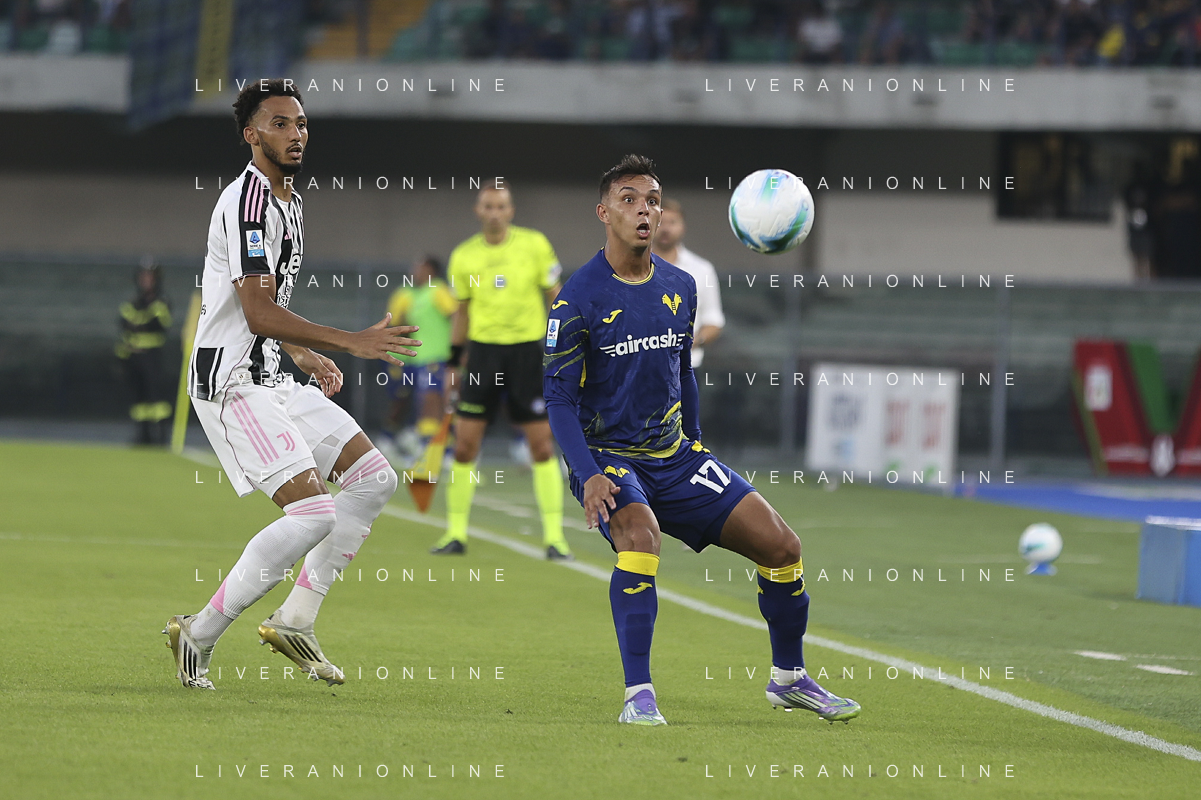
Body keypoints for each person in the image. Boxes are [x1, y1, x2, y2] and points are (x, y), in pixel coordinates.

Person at [544, 154, 860, 725]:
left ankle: (789, 679)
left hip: (676, 456)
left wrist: (695, 442)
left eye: (652, 200)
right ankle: (638, 695)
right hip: (611, 458)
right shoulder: (576, 299)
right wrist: (587, 473)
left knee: (783, 547)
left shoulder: (681, 286)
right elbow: (560, 399)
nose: (644, 211)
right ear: (604, 213)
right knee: (641, 538)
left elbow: (681, 372)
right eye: (629, 200)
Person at [163, 79, 419, 690]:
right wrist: (349, 341)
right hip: (232, 381)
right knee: (312, 513)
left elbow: (263, 306)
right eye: (279, 123)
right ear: (251, 134)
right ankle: (197, 634)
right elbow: (256, 313)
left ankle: (296, 619)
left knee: (373, 478)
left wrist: (301, 351)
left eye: (300, 123)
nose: (295, 133)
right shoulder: (249, 203)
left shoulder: (289, 202)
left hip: (271, 373)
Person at [431, 180, 572, 560]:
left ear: (511, 211)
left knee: (542, 445)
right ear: (478, 211)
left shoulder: (534, 245)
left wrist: (563, 347)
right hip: (483, 356)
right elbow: (461, 313)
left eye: (501, 206)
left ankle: (555, 539)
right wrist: (453, 364)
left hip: (527, 354)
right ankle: (455, 533)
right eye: (488, 206)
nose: (494, 213)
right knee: (465, 445)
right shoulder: (464, 256)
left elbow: (556, 298)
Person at [382, 255, 458, 461]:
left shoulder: (439, 290)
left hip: (437, 355)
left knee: (434, 402)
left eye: (420, 268)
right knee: (424, 402)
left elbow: (456, 316)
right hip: (420, 358)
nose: (415, 272)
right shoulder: (413, 294)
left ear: (431, 271)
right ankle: (432, 447)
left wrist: (459, 349)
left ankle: (439, 450)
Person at [651, 197, 724, 368]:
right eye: (660, 222)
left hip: (685, 366)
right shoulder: (631, 266)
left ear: (682, 227)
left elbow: (714, 320)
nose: (666, 229)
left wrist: (694, 341)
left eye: (672, 222)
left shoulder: (702, 269)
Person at [116, 258, 172, 445]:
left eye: (150, 277)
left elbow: (158, 324)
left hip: (152, 356)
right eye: (144, 277)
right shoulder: (133, 301)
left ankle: (162, 435)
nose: (146, 280)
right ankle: (143, 435)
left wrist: (138, 323)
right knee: (138, 397)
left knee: (156, 395)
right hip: (133, 357)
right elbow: (124, 323)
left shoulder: (161, 301)